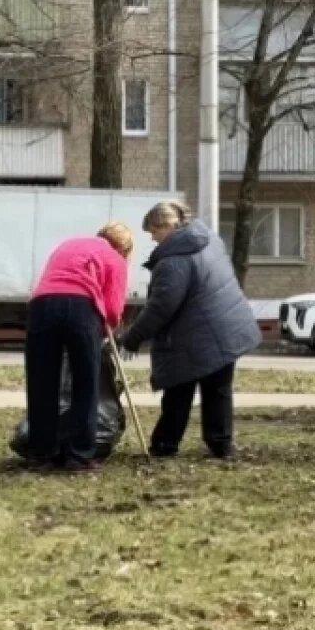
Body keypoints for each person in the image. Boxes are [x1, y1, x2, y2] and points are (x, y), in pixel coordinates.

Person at [117, 200, 261, 460]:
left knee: (178, 388)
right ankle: (221, 445)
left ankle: (165, 445)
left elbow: (161, 307)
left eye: (154, 232)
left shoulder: (173, 262)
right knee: (218, 389)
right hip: (227, 326)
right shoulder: (209, 240)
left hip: (198, 335)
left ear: (167, 226)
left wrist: (131, 338)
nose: (153, 240)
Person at [24, 221, 133, 473]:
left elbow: (50, 278)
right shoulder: (115, 258)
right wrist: (108, 329)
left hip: (42, 305)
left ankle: (41, 455)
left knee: (42, 382)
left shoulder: (68, 244)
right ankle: (80, 456)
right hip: (82, 309)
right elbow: (114, 307)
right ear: (124, 247)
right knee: (86, 384)